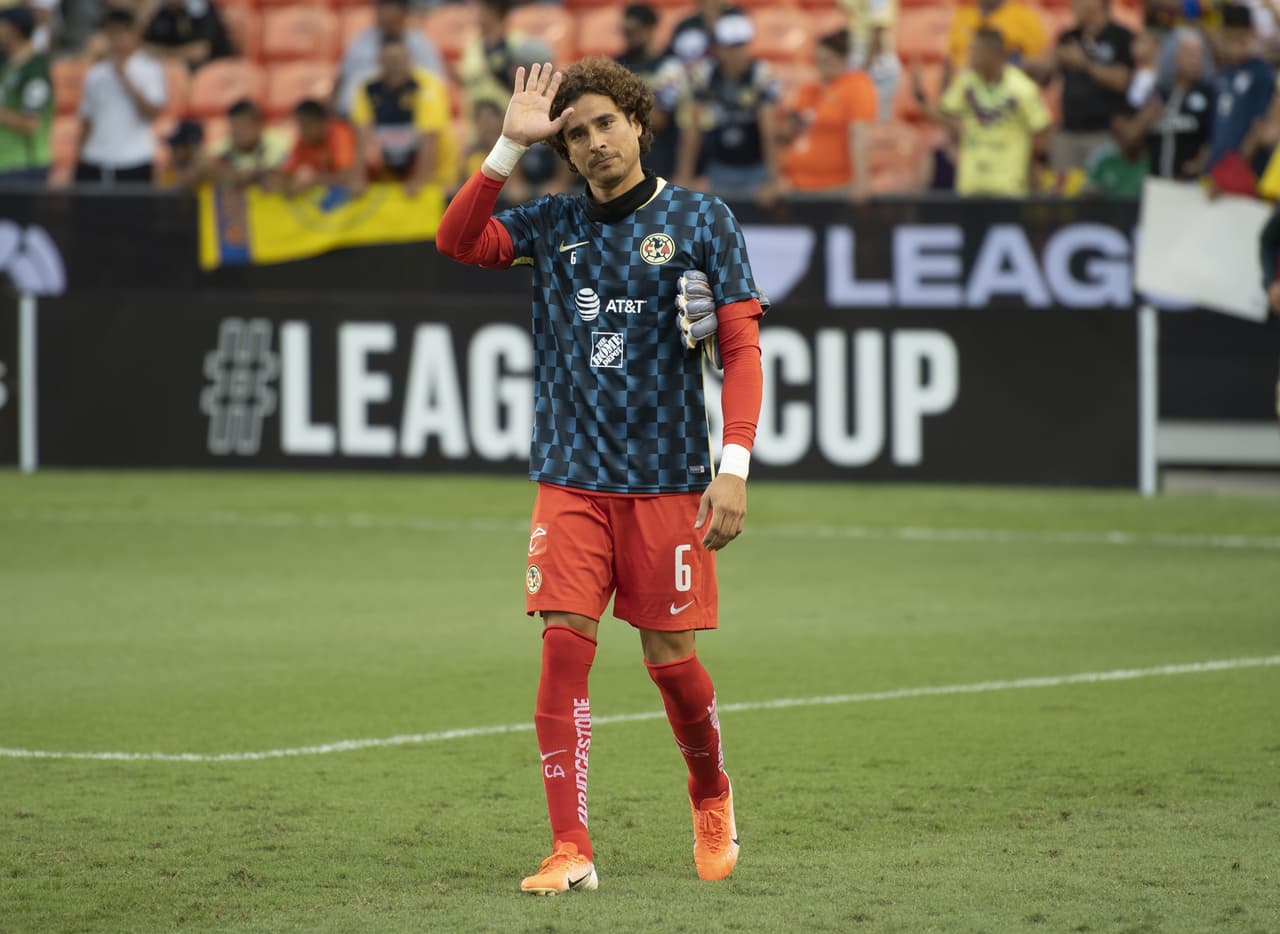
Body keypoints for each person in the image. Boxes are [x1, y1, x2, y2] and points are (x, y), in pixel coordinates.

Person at [436, 58, 764, 894]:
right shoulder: (552, 223)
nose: (592, 143)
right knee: (561, 646)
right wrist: (508, 147)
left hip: (667, 478)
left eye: (605, 124)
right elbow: (458, 241)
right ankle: (570, 848)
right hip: (571, 474)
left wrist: (733, 467)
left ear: (638, 122)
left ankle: (710, 793)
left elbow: (740, 348)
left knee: (673, 665)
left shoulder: (702, 220)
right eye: (575, 134)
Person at [915, 28, 1052, 196]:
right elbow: (944, 115)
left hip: (1009, 188)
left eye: (975, 50)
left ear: (993, 54)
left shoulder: (1022, 89)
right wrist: (920, 97)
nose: (970, 56)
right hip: (971, 186)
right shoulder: (966, 82)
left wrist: (1032, 166)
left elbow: (1041, 130)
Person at [677, 14, 782, 201]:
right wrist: (685, 176)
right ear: (717, 49)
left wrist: (773, 180)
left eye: (740, 45)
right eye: (729, 47)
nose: (735, 53)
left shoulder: (761, 74)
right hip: (719, 167)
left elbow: (768, 131)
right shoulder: (705, 74)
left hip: (755, 168)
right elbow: (692, 128)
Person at [351, 35, 457, 194]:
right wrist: (359, 178)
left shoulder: (427, 86)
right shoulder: (367, 90)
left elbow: (429, 136)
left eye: (399, 60)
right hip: (390, 179)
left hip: (436, 177)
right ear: (380, 62)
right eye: (389, 61)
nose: (395, 67)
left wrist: (420, 180)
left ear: (409, 59)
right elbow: (361, 136)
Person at [779, 30, 876, 201]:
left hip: (835, 186)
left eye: (828, 60)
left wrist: (861, 182)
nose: (822, 66)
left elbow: (859, 134)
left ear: (843, 59)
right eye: (819, 60)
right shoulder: (809, 90)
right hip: (799, 184)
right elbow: (790, 134)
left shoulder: (856, 86)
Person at [76, 8, 166, 185]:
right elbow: (87, 119)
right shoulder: (96, 73)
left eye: (120, 33)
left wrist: (124, 77)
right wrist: (79, 155)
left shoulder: (150, 69)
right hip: (95, 158)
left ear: (134, 34)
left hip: (135, 159)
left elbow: (152, 113)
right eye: (111, 34)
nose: (115, 40)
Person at [1115, 28, 1214, 179]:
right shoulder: (1156, 94)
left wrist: (1202, 161)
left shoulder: (1209, 95)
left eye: (1199, 53)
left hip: (1191, 183)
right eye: (1188, 53)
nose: (1195, 59)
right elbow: (1128, 143)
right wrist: (1145, 119)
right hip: (1155, 181)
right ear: (1171, 55)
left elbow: (1216, 137)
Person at [1050, 0, 1135, 173]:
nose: (1074, 5)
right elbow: (1048, 73)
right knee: (1063, 187)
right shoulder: (1069, 37)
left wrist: (1084, 64)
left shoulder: (1121, 36)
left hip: (1103, 133)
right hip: (1068, 132)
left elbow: (1121, 81)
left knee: (1099, 188)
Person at [616, 2, 688, 178]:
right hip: (627, 162)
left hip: (661, 159)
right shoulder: (617, 64)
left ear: (649, 28)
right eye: (625, 32)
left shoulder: (670, 65)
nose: (628, 38)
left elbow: (658, 119)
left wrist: (620, 107)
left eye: (633, 31)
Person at [335, 0, 443, 117]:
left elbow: (435, 85)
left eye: (387, 6)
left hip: (403, 117)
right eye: (379, 6)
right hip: (349, 115)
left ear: (403, 11)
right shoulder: (361, 40)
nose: (381, 12)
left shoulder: (420, 43)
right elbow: (341, 78)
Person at [1209, 4, 1276, 176]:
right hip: (1217, 166)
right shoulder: (1223, 74)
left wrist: (1235, 168)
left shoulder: (1262, 73)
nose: (1233, 45)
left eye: (1239, 38)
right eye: (1229, 38)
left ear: (1250, 35)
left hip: (1244, 171)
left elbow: (1259, 126)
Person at [0, 6, 53, 185]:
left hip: (24, 164)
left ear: (14, 30)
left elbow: (31, 123)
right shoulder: (5, 64)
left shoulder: (36, 69)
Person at [945, 0, 1047, 86]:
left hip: (1007, 93)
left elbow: (1039, 66)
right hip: (964, 91)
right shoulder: (963, 15)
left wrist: (1010, 64)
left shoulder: (1024, 17)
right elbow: (949, 61)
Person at [278, 99, 362, 195]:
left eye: (306, 125)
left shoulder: (339, 134)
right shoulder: (303, 141)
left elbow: (349, 175)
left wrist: (313, 181)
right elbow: (288, 173)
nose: (302, 130)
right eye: (299, 126)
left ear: (321, 122)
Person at [208, 98, 291, 188]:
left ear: (258, 125)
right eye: (234, 127)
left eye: (243, 127)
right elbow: (210, 164)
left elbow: (269, 170)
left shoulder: (277, 143)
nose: (237, 132)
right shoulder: (223, 147)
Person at [839, 0, 900, 120]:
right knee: (854, 116)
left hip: (875, 62)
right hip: (856, 55)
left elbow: (878, 30)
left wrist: (865, 70)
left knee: (873, 118)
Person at [143, 0, 233, 71]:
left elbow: (200, 51)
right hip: (176, 69)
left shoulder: (201, 9)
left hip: (215, 67)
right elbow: (146, 48)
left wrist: (166, 53)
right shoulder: (160, 13)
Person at [667, 0, 746, 64]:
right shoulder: (686, 27)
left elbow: (743, 51)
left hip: (728, 70)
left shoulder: (735, 18)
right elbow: (673, 57)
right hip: (695, 72)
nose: (715, 3)